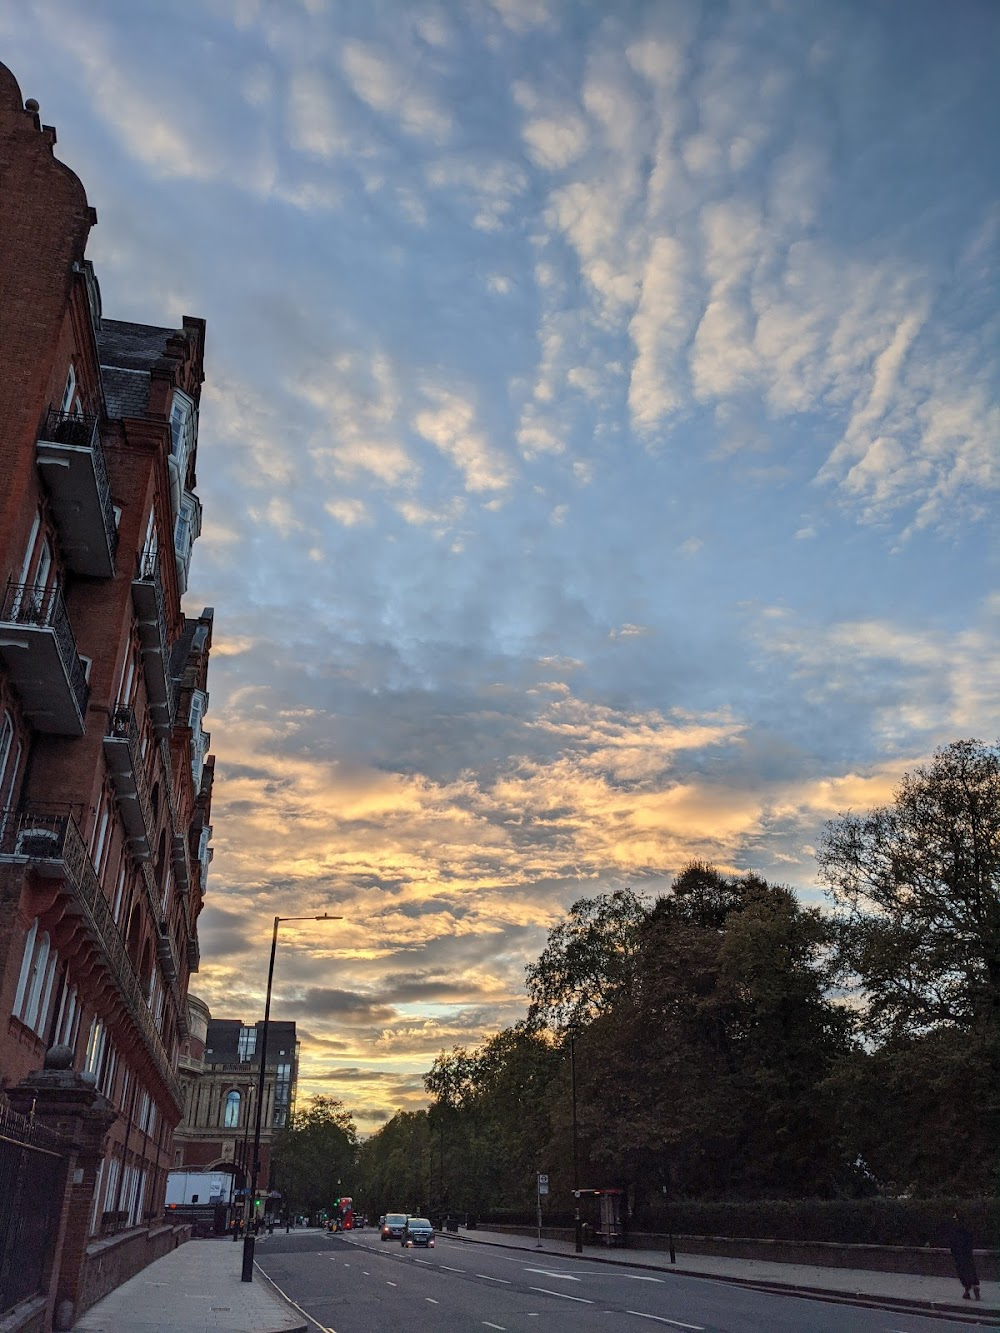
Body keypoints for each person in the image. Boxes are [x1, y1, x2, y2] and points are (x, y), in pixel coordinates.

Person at [947, 1212, 981, 1301]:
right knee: (970, 1270)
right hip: (967, 1253)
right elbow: (971, 1240)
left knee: (962, 1272)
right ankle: (971, 1288)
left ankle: (969, 1289)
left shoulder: (955, 1229)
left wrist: (953, 1251)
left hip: (959, 1254)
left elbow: (953, 1242)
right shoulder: (967, 1229)